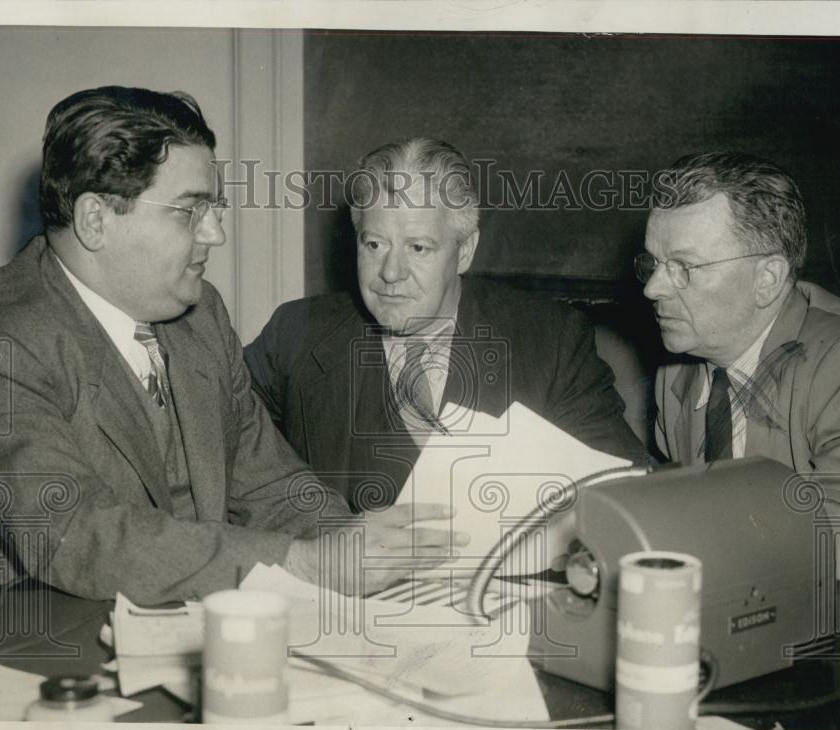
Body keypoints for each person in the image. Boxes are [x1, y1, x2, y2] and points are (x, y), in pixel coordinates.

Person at [0, 86, 454, 605]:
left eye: (213, 208)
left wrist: (361, 547)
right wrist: (305, 564)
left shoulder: (200, 314)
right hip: (43, 642)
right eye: (189, 211)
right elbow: (79, 536)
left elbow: (267, 483)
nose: (215, 234)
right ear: (96, 220)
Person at [244, 137, 648, 513]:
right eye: (374, 244)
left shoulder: (550, 340)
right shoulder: (296, 335)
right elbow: (217, 452)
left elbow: (623, 491)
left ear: (465, 250)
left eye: (418, 247)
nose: (390, 272)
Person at [639, 151, 840, 607]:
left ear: (767, 278)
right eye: (653, 264)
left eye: (683, 267)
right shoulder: (679, 372)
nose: (653, 288)